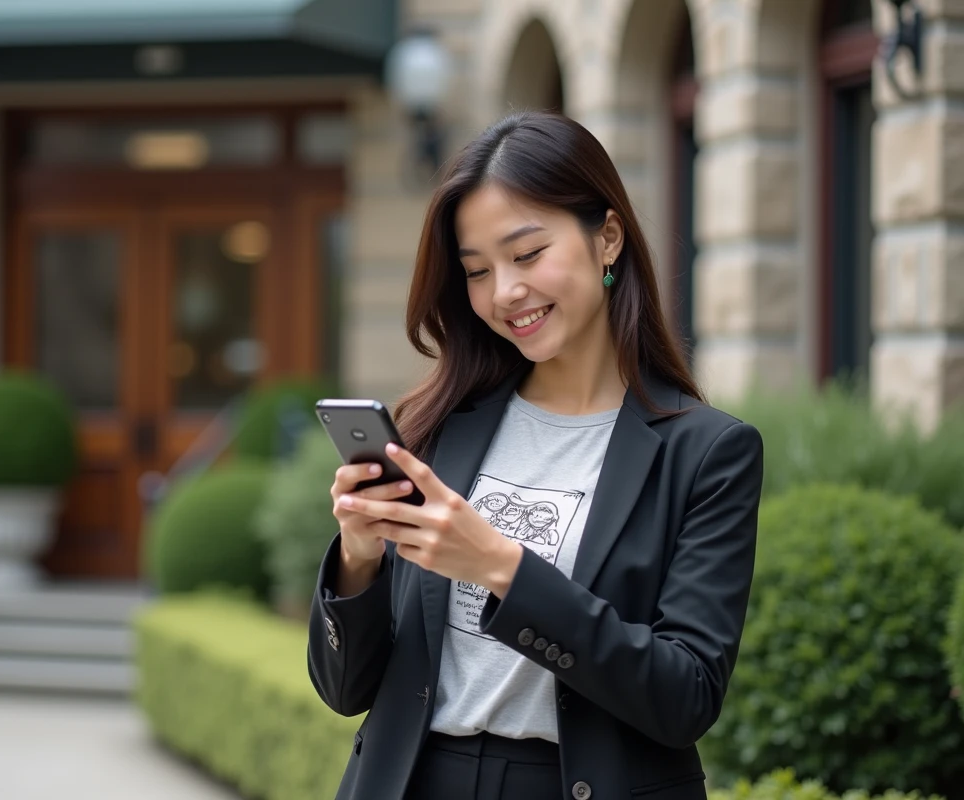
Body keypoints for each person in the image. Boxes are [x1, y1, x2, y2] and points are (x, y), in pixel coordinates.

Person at [307, 111, 764, 800]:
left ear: (606, 237)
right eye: (477, 271)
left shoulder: (707, 453)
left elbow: (686, 696)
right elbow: (346, 691)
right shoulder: (438, 427)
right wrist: (358, 559)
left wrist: (500, 567)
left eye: (527, 255)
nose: (504, 293)